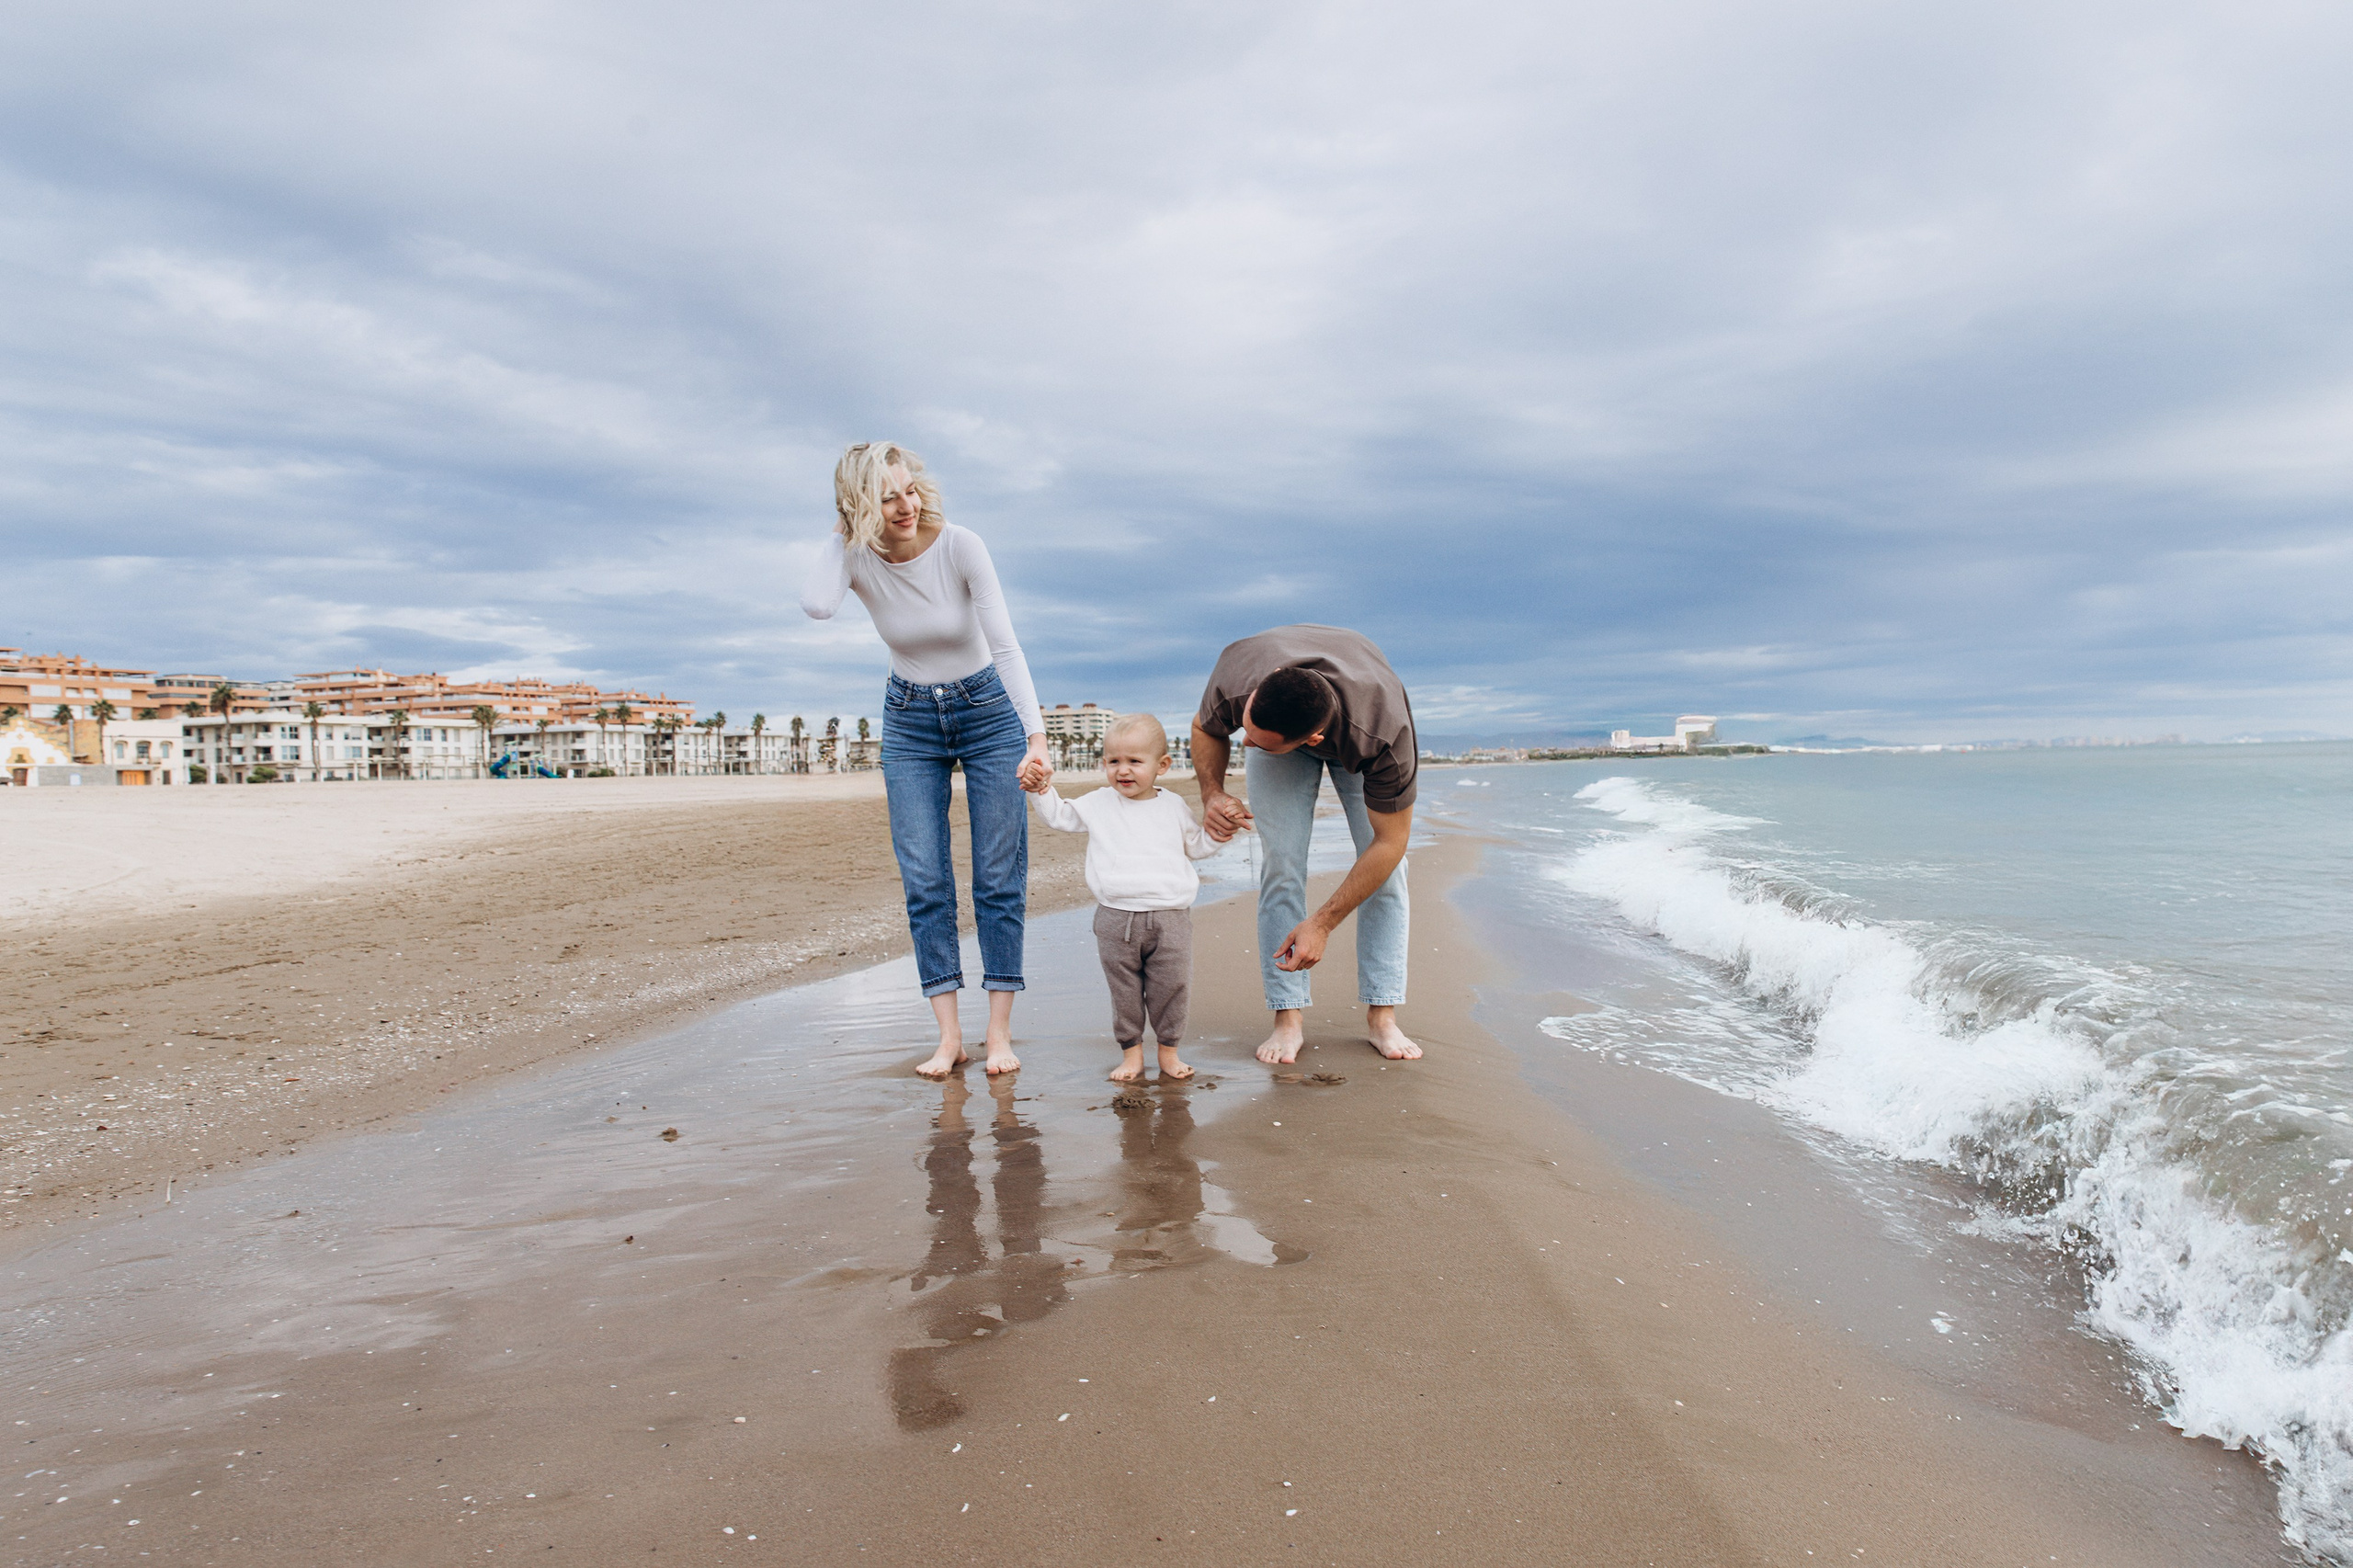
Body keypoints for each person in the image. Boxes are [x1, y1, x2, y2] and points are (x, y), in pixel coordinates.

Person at [801, 442, 1051, 1078]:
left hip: (988, 710)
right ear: (860, 504)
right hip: (909, 719)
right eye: (887, 497)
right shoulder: (856, 556)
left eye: (909, 489)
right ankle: (949, 1037)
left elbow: (1006, 644)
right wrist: (841, 528)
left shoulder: (961, 545)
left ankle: (998, 1033)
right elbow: (817, 604)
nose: (907, 506)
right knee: (924, 880)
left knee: (997, 875)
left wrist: (1037, 738)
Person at [1190, 625, 1421, 1064]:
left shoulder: (1384, 736)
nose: (1245, 743)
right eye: (1247, 730)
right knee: (1281, 864)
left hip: (1358, 730)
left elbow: (1390, 843)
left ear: (1313, 741)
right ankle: (1287, 1018)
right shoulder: (1240, 677)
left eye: (1256, 743)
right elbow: (1206, 727)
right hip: (1284, 717)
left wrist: (1323, 922)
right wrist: (1213, 793)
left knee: (1390, 875)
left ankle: (1382, 1015)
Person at [1026, 712, 1218, 1083]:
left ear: (1162, 765)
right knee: (1125, 992)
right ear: (1104, 764)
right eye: (1114, 761)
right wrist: (1042, 790)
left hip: (1170, 917)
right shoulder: (1099, 803)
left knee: (1172, 988)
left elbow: (1197, 846)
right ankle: (1131, 1054)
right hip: (1116, 917)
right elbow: (1059, 817)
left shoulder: (1173, 805)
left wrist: (1220, 832)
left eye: (1134, 761)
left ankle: (1168, 1052)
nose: (1123, 770)